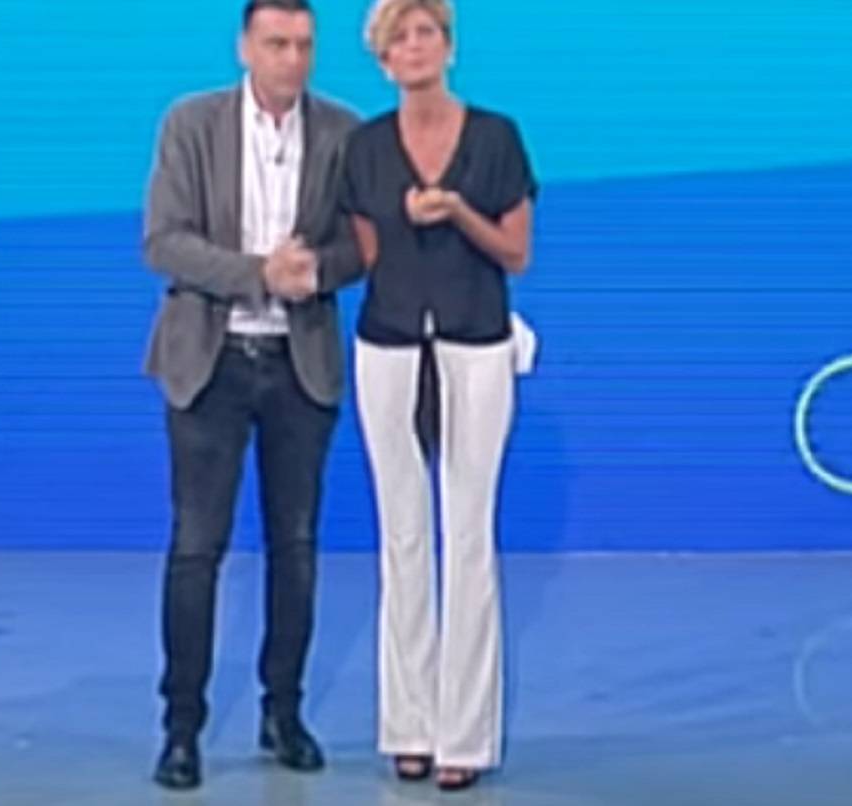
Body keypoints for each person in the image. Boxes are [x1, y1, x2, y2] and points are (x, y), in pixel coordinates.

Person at [140, 0, 361, 790]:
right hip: (211, 362)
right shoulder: (191, 124)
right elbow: (163, 240)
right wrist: (257, 273)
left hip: (300, 366)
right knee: (196, 547)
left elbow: (361, 246)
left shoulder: (343, 132)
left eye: (304, 45)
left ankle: (283, 713)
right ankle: (182, 730)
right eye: (276, 44)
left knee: (294, 547)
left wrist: (318, 271)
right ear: (245, 46)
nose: (292, 59)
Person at [342, 0, 537, 792]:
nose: (414, 46)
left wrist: (456, 210)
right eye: (400, 37)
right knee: (402, 537)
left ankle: (466, 736)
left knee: (468, 535)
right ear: (383, 59)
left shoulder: (496, 138)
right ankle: (409, 726)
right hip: (387, 344)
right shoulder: (363, 148)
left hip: (476, 343)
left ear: (448, 48)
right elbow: (364, 254)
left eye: (426, 32)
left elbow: (516, 253)